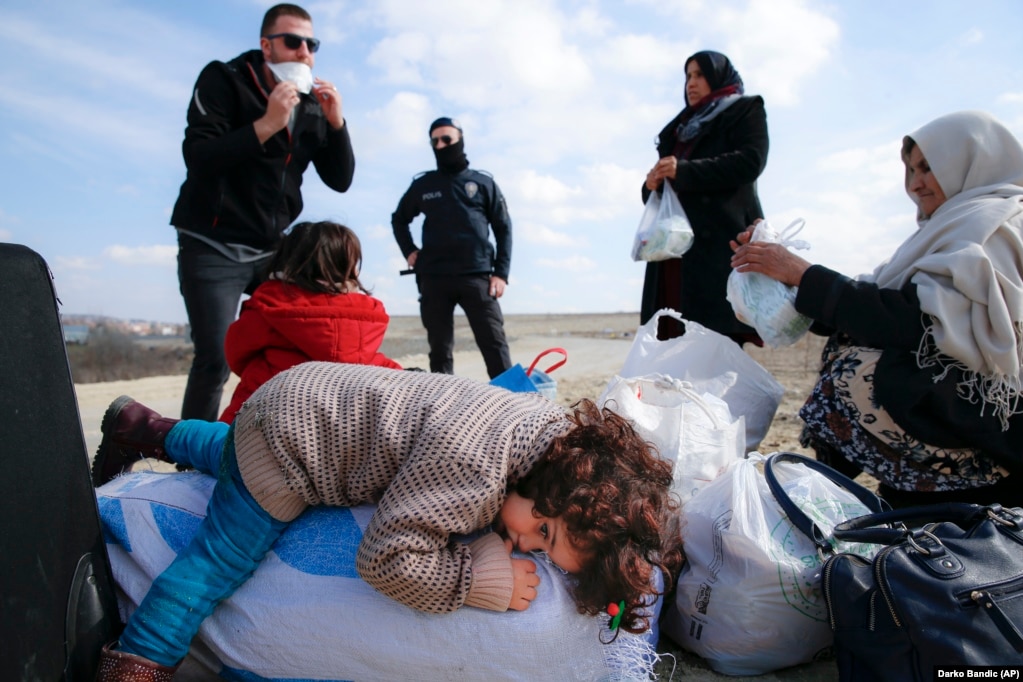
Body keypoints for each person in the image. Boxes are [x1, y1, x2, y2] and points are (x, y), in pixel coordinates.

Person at [91, 363, 684, 677]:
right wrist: (471, 581)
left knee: (229, 452)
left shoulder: (549, 432)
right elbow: (386, 557)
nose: (524, 545)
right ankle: (135, 664)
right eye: (542, 534)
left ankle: (140, 427)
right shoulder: (476, 473)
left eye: (541, 551)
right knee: (213, 566)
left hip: (311, 394)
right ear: (547, 486)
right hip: (294, 448)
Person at [730, 110, 1023, 508]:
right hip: (965, 408)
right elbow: (877, 305)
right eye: (911, 170)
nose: (916, 183)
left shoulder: (995, 226)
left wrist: (802, 274)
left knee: (860, 370)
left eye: (928, 167)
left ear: (969, 161)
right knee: (848, 346)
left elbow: (913, 323)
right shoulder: (951, 228)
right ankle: (882, 492)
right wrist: (780, 275)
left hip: (1001, 423)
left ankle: (969, 485)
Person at [171, 3, 355, 422]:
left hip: (273, 249)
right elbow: (199, 158)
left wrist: (337, 124)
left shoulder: (311, 104)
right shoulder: (225, 79)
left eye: (312, 44)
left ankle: (276, 439)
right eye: (293, 42)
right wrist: (268, 123)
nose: (304, 52)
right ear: (266, 45)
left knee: (303, 341)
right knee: (215, 357)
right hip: (211, 243)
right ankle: (189, 463)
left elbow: (340, 179)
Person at [218, 221, 401, 423]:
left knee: (211, 440)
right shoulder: (364, 315)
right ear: (349, 270)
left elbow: (236, 351)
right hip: (348, 427)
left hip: (269, 415)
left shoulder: (269, 305)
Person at [642, 50, 769, 344]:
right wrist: (651, 184)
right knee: (672, 334)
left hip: (719, 242)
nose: (691, 83)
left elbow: (751, 161)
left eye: (700, 74)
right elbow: (667, 187)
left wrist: (683, 171)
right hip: (675, 251)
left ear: (717, 77)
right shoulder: (679, 129)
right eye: (688, 76)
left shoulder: (745, 110)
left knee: (716, 338)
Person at [391, 117, 513, 378]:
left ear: (460, 140)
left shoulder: (482, 183)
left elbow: (503, 228)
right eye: (435, 141)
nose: (441, 144)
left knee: (495, 345)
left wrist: (501, 273)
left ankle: (516, 407)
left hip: (477, 277)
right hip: (434, 278)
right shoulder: (423, 185)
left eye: (447, 139)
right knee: (439, 350)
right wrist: (409, 250)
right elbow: (399, 219)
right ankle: (442, 410)